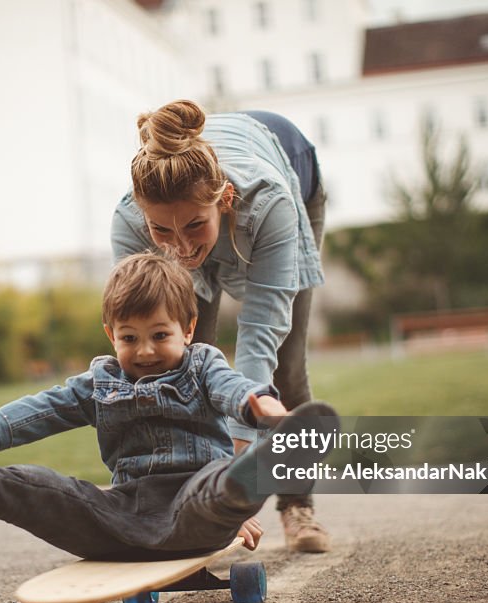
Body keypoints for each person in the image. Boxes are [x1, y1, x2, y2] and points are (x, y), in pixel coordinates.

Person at [0, 253, 336, 559]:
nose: (144, 351)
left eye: (160, 335)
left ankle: (253, 475)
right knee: (36, 489)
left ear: (188, 330)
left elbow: (232, 387)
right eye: (129, 338)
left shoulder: (200, 364)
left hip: (193, 504)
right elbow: (35, 411)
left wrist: (269, 413)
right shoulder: (101, 381)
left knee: (216, 489)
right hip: (122, 513)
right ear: (110, 335)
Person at [111, 99, 330, 552]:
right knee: (178, 362)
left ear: (224, 201)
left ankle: (297, 504)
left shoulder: (269, 202)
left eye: (194, 225)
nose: (182, 247)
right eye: (162, 231)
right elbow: (151, 353)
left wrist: (236, 464)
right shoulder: (130, 223)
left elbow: (260, 331)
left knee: (285, 372)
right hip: (214, 189)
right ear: (142, 214)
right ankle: (182, 501)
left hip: (291, 168)